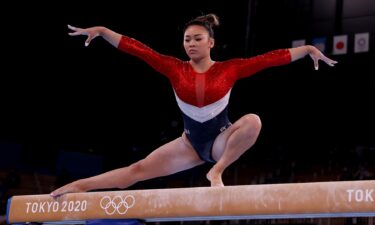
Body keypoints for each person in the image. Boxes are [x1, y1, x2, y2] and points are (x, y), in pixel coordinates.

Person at [50, 13, 337, 197]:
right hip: (189, 144)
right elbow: (138, 49)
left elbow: (270, 58)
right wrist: (102, 30)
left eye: (198, 39)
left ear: (211, 42)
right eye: (187, 39)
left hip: (220, 142)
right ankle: (79, 185)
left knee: (253, 121)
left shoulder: (230, 69)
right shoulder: (174, 68)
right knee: (134, 172)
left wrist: (308, 49)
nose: (191, 44)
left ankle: (218, 171)